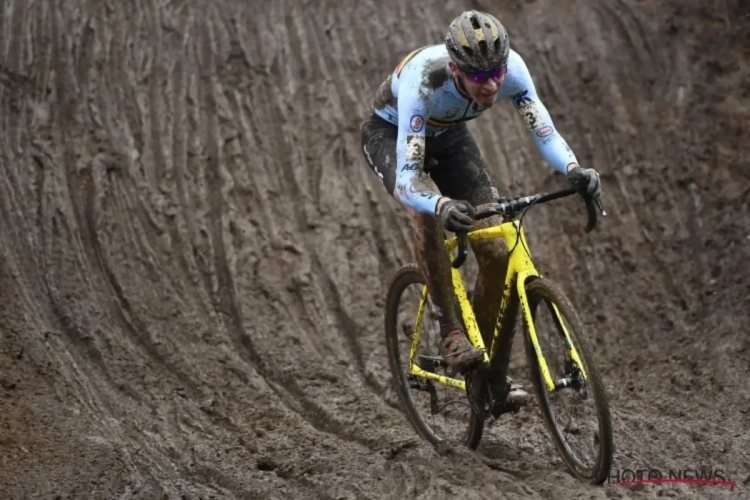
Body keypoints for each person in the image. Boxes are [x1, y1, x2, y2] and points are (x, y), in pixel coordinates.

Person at [361, 11, 601, 407]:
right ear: (455, 69)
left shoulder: (514, 71)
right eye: (478, 76)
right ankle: (450, 331)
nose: (491, 85)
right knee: (426, 215)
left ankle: (489, 379)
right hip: (392, 135)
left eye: (497, 73)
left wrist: (574, 169)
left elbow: (544, 131)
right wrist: (440, 203)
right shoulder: (425, 82)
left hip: (449, 136)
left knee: (495, 248)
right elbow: (408, 178)